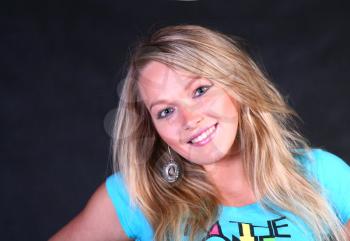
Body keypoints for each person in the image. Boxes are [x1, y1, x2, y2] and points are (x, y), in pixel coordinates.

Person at [49, 25, 350, 241]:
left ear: (238, 87)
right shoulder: (137, 196)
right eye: (165, 111)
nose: (189, 119)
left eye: (200, 90)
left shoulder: (322, 175)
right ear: (152, 129)